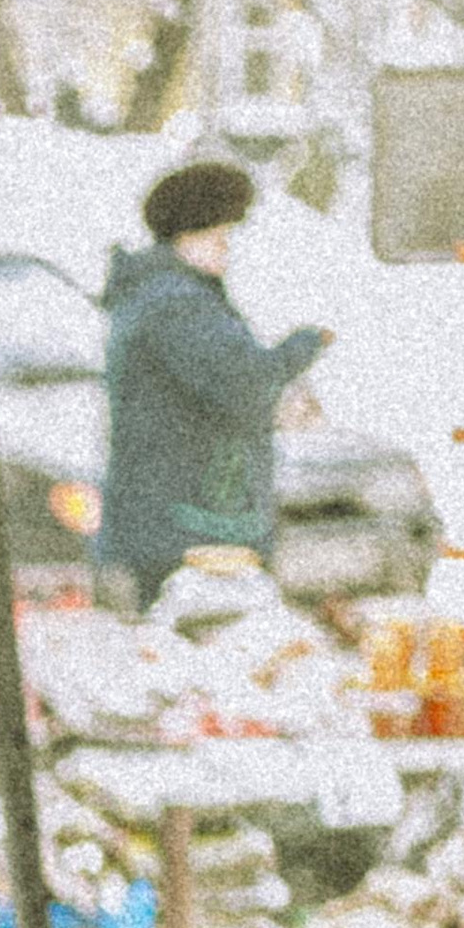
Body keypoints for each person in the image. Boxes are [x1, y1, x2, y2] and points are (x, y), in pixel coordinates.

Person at [98, 158, 330, 607]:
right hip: (190, 534)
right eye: (220, 235)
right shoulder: (178, 305)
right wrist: (305, 346)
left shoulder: (162, 297)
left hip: (173, 526)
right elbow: (244, 384)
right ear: (189, 234)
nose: (228, 248)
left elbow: (212, 388)